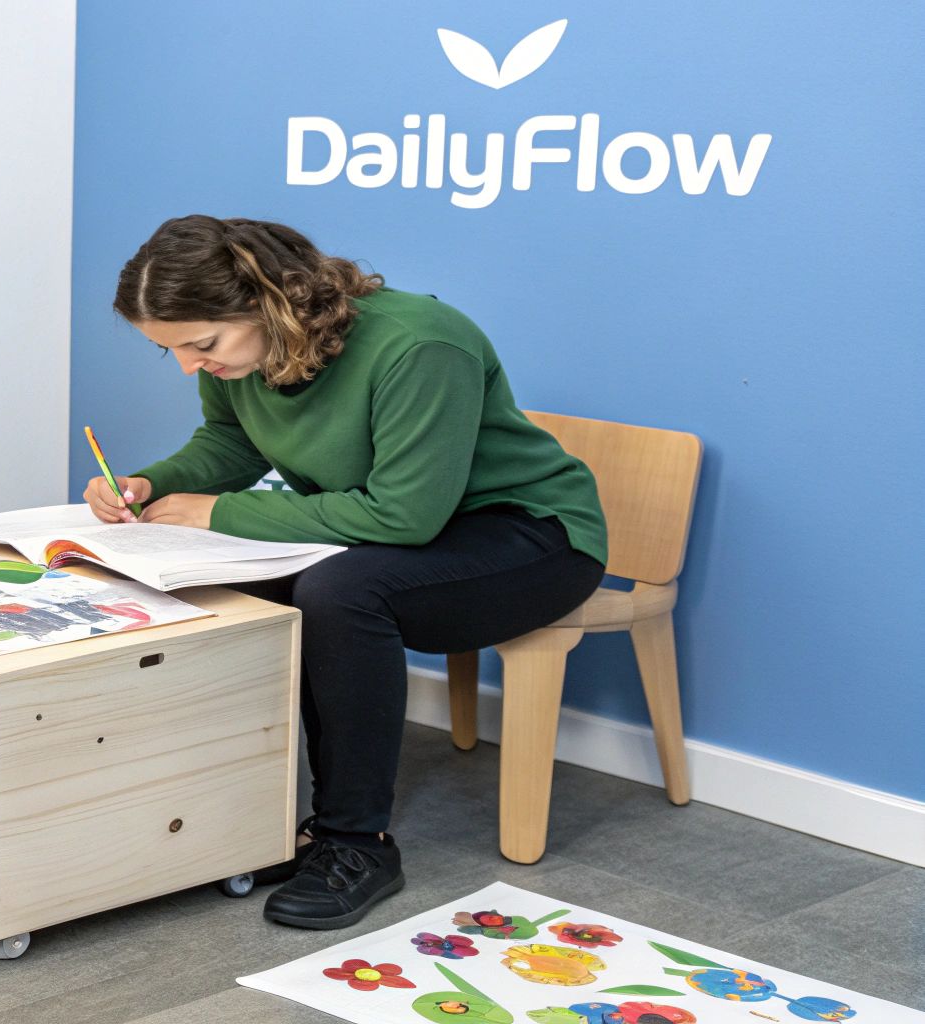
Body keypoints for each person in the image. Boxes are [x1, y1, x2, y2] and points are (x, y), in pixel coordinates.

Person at [87, 215, 607, 929]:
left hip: (529, 536)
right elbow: (231, 444)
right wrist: (148, 483)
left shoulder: (421, 343)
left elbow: (404, 518)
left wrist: (221, 513)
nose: (188, 365)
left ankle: (355, 842)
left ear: (268, 299)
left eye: (201, 344)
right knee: (236, 583)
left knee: (337, 592)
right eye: (169, 351)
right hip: (397, 529)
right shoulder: (245, 359)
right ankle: (248, 813)